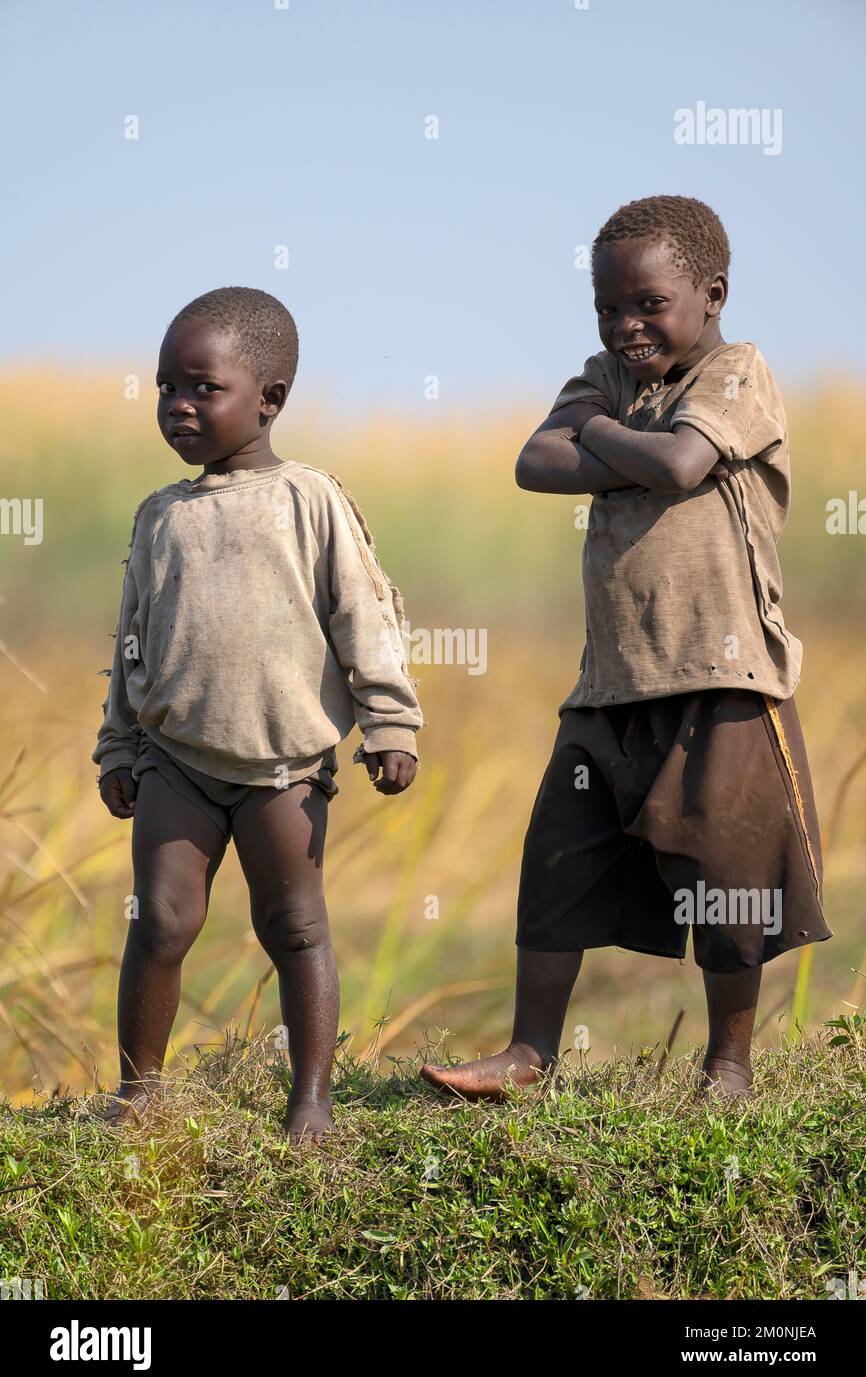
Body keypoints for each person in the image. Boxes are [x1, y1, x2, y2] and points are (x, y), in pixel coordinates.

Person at [420, 195, 830, 1102]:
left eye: (648, 304)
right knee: (558, 860)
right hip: (610, 683)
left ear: (713, 292)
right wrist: (631, 439)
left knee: (732, 874)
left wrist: (601, 433)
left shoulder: (737, 371)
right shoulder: (605, 373)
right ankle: (531, 1054)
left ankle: (728, 1064)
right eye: (608, 307)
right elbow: (534, 461)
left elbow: (684, 464)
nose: (625, 325)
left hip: (723, 674)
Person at [93, 287, 422, 1141]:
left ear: (269, 399)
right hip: (176, 758)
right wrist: (119, 745)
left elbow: (366, 616)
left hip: (284, 765)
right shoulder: (161, 515)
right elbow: (132, 638)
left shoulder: (311, 500)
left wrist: (391, 724)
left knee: (295, 926)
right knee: (160, 920)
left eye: (203, 388)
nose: (178, 406)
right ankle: (140, 1094)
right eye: (167, 387)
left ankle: (311, 1099)